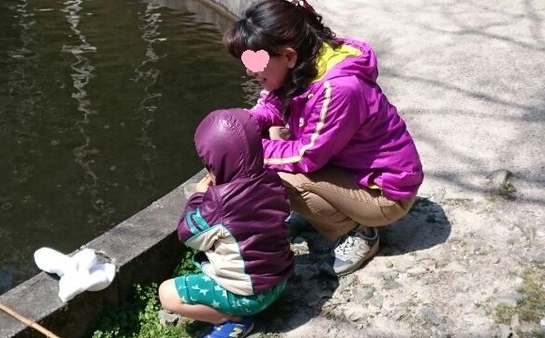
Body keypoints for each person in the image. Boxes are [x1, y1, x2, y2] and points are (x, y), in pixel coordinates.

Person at [223, 0, 424, 277]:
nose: (250, 71)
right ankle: (325, 210)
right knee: (275, 139)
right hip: (351, 168)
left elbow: (307, 156)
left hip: (385, 193)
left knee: (281, 176)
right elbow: (272, 106)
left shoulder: (337, 89)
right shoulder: (303, 66)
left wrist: (250, 149)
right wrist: (243, 124)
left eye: (256, 63)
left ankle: (358, 233)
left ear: (288, 56)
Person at [158, 109, 294, 338]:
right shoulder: (272, 180)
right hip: (279, 282)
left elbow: (188, 234)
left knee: (167, 294)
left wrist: (198, 197)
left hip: (250, 296)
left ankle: (231, 319)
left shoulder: (219, 202)